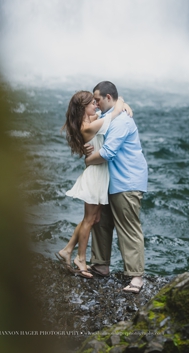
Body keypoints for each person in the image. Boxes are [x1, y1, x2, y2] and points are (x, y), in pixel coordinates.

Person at [56, 91, 130, 278]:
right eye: (92, 103)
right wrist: (120, 100)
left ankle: (67, 249)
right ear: (83, 107)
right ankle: (80, 259)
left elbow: (107, 113)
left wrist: (124, 105)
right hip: (95, 175)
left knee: (94, 218)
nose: (96, 106)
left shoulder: (90, 121)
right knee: (89, 220)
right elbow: (113, 113)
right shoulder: (88, 126)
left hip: (100, 174)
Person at [84, 81, 149, 294]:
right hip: (110, 181)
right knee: (100, 221)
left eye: (98, 99)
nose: (95, 103)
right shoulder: (107, 116)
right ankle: (101, 265)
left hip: (127, 181)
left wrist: (88, 160)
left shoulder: (122, 121)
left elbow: (108, 153)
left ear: (109, 98)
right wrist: (122, 102)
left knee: (128, 228)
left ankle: (136, 277)